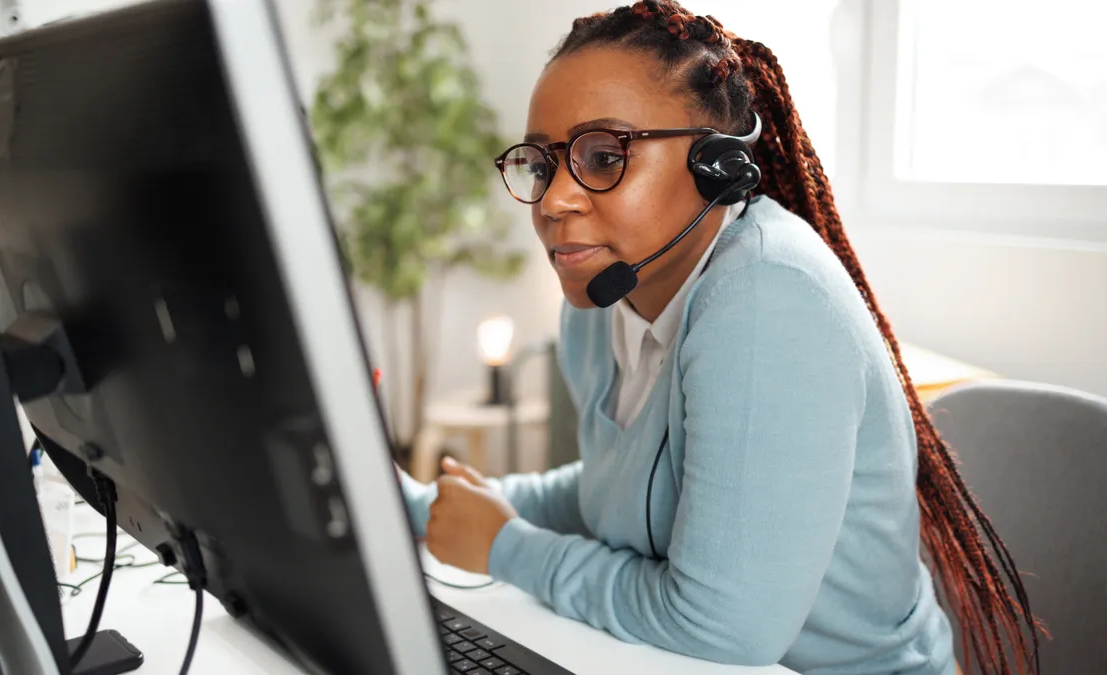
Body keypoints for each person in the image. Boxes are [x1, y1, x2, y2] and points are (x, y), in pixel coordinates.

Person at [398, 3, 1041, 673]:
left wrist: (507, 547)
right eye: (541, 163)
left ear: (718, 167)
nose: (555, 199)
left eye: (603, 156)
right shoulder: (599, 299)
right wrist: (427, 507)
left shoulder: (770, 300)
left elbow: (722, 627)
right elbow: (615, 494)